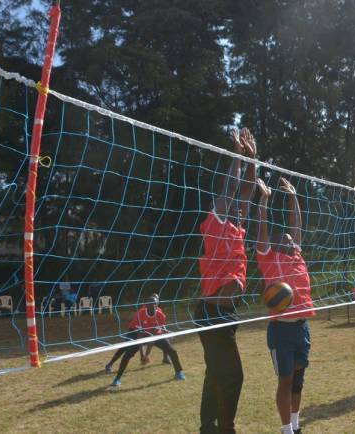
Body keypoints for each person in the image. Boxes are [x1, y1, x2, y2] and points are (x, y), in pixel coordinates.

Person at [195, 128, 257, 434]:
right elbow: (232, 187)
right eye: (228, 203)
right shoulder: (215, 222)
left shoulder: (237, 227)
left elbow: (245, 191)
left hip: (226, 313)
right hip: (212, 312)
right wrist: (236, 153)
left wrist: (253, 159)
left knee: (215, 374)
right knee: (234, 376)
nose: (236, 206)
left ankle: (209, 427)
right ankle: (225, 428)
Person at [256, 177, 315, 434]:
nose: (292, 241)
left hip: (302, 328)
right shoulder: (269, 259)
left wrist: (293, 197)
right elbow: (262, 227)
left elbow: (297, 224)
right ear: (277, 244)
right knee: (285, 380)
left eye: (293, 240)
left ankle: (296, 425)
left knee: (298, 382)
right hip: (281, 329)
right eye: (287, 240)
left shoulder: (297, 257)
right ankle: (286, 430)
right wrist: (264, 200)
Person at [106, 294, 184, 387]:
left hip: (153, 334)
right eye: (152, 304)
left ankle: (179, 372)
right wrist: (142, 355)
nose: (154, 306)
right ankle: (117, 379)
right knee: (127, 353)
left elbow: (154, 334)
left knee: (172, 351)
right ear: (146, 305)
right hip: (139, 333)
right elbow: (139, 335)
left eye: (155, 304)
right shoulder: (140, 314)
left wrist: (147, 355)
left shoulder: (160, 314)